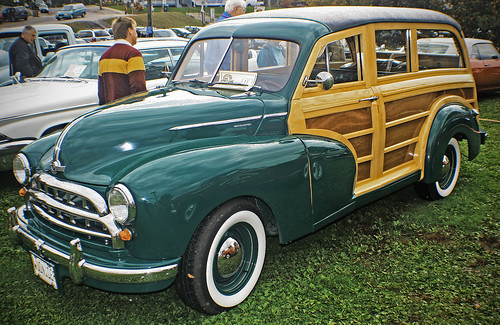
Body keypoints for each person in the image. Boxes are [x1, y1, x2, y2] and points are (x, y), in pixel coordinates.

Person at [98, 16, 146, 105]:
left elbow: (101, 92)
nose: (136, 33)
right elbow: (138, 86)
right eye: (135, 30)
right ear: (130, 31)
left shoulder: (104, 56)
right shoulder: (133, 54)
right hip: (127, 109)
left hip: (110, 110)